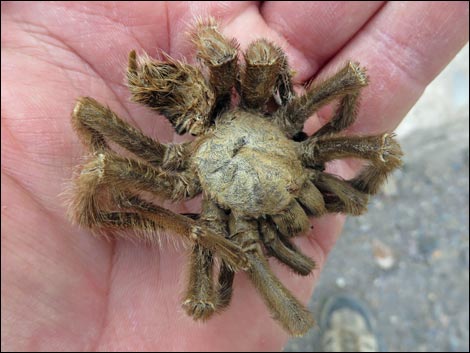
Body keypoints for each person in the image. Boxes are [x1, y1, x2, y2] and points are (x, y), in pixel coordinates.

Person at [2, 2, 468, 351]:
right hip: (219, 134)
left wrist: (338, 117)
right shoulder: (211, 160)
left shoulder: (276, 125)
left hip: (248, 125)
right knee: (103, 169)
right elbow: (200, 303)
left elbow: (290, 60)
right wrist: (180, 225)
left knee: (378, 144)